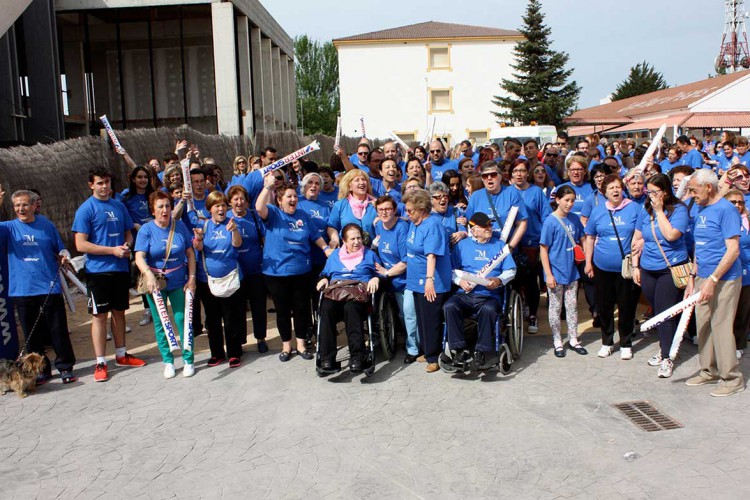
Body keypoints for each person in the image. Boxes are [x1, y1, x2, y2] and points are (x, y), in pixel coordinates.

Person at [72, 166, 146, 382]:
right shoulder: (86, 209)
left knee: (120, 312)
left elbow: (127, 233)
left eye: (107, 182)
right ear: (91, 185)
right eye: (100, 183)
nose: (105, 187)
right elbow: (80, 244)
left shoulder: (118, 206)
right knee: (99, 316)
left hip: (120, 269)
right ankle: (100, 361)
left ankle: (121, 354)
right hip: (98, 272)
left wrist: (126, 246)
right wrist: (111, 251)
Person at [2, 190, 77, 384]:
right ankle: (41, 370)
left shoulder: (46, 225)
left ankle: (65, 367)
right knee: (32, 334)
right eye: (17, 205)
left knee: (58, 329)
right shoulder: (9, 228)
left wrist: (64, 255)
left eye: (25, 204)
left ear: (34, 205)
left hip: (48, 286)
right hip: (22, 289)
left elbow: (60, 248)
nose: (21, 209)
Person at [256, 175, 331, 362]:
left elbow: (315, 235)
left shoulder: (303, 215)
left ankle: (301, 344)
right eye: (288, 197)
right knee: (282, 310)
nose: (293, 200)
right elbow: (259, 208)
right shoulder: (273, 214)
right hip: (277, 273)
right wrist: (267, 187)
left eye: (294, 196)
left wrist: (327, 249)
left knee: (300, 309)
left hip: (301, 271)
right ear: (280, 200)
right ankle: (286, 346)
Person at [684, 169, 744, 396]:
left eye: (694, 190)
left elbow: (733, 250)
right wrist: (693, 278)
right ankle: (708, 371)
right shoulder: (701, 209)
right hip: (703, 277)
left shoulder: (726, 210)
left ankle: (732, 377)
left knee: (720, 326)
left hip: (724, 279)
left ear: (708, 187)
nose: (691, 194)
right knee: (704, 324)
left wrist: (713, 280)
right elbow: (699, 246)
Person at [631, 174, 689, 378]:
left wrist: (659, 211)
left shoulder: (679, 209)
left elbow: (671, 235)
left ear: (665, 192)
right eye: (649, 192)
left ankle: (667, 357)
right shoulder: (644, 209)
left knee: (666, 314)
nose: (651, 196)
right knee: (657, 312)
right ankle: (665, 347)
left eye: (655, 192)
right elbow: (637, 237)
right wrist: (636, 266)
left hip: (670, 268)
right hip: (648, 267)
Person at [134, 191, 197, 378]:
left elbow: (190, 253)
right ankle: (168, 360)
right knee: (162, 322)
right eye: (160, 207)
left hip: (179, 281)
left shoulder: (179, 226)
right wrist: (148, 274)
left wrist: (192, 278)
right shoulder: (146, 230)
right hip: (155, 284)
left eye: (168, 206)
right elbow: (139, 256)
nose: (165, 210)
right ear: (153, 210)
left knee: (182, 319)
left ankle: (188, 359)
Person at [442, 212, 517, 369]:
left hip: (489, 295)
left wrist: (499, 280)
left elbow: (511, 270)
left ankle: (480, 351)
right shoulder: (461, 246)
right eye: (485, 226)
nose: (490, 228)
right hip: (465, 294)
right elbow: (451, 270)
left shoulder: (499, 246)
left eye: (490, 225)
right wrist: (459, 281)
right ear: (473, 229)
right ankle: (460, 350)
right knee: (449, 306)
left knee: (488, 310)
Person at [584, 174, 641, 360]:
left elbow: (640, 236)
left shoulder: (634, 209)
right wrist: (588, 262)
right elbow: (590, 238)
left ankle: (626, 343)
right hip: (602, 267)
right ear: (605, 192)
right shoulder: (598, 211)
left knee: (627, 306)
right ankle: (607, 342)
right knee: (604, 306)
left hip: (626, 268)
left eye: (618, 187)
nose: (615, 191)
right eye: (611, 188)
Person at [315, 224, 381, 374]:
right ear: (344, 240)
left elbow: (380, 272)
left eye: (359, 238)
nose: (357, 242)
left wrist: (376, 279)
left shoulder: (369, 254)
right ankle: (327, 359)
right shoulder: (335, 255)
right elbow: (325, 272)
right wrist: (324, 278)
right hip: (337, 292)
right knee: (326, 308)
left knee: (351, 308)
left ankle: (358, 357)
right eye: (352, 239)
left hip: (358, 294)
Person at [192, 191, 245, 368]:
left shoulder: (231, 224)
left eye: (223, 205)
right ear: (209, 209)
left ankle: (234, 353)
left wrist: (235, 230)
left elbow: (237, 244)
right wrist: (198, 239)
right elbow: (198, 248)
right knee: (212, 320)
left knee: (231, 319)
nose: (221, 209)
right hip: (208, 281)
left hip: (230, 279)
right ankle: (217, 353)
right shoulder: (204, 226)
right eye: (217, 206)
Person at [403, 188, 452, 373]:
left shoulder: (433, 224)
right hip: (416, 278)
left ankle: (435, 356)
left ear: (422, 208)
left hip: (431, 279)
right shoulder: (415, 223)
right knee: (421, 316)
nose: (407, 214)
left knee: (431, 319)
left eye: (410, 210)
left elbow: (431, 255)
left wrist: (430, 279)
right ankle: (425, 349)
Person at [540, 185, 588, 357]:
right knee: (555, 307)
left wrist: (587, 259)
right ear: (558, 200)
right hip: (556, 272)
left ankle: (573, 338)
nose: (570, 204)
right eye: (566, 200)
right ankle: (557, 340)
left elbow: (582, 238)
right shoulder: (550, 221)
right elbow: (543, 249)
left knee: (572, 306)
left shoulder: (575, 219)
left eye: (572, 201)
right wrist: (548, 274)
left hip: (572, 271)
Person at [226, 185, 267, 353]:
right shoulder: (225, 218)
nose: (239, 202)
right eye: (235, 199)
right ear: (230, 202)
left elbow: (264, 238)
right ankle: (240, 339)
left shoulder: (254, 217)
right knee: (238, 307)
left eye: (242, 198)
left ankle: (260, 338)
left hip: (256, 269)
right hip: (235, 271)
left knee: (258, 305)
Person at [372, 195, 412, 362]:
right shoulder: (378, 226)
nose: (384, 212)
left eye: (388, 209)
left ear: (395, 210)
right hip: (386, 277)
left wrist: (387, 272)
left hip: (404, 278)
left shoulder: (402, 228)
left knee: (407, 314)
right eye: (381, 210)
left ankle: (414, 347)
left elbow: (406, 262)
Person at [465, 161, 528, 250]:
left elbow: (522, 223)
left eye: (493, 174)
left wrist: (510, 247)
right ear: (482, 179)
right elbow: (469, 223)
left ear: (500, 176)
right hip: (482, 248)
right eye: (485, 176)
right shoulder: (476, 196)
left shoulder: (512, 193)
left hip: (505, 246)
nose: (489, 178)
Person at [724, 189, 750, 360]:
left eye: (740, 202)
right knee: (726, 312)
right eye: (733, 202)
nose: (737, 205)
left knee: (742, 311)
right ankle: (724, 343)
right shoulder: (723, 219)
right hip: (726, 273)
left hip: (747, 272)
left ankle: (739, 344)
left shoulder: (747, 220)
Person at [327, 169, 377, 248]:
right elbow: (332, 226)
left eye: (364, 179)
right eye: (357, 180)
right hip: (348, 252)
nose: (361, 182)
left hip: (373, 251)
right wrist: (335, 240)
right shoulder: (340, 205)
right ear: (349, 186)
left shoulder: (376, 204)